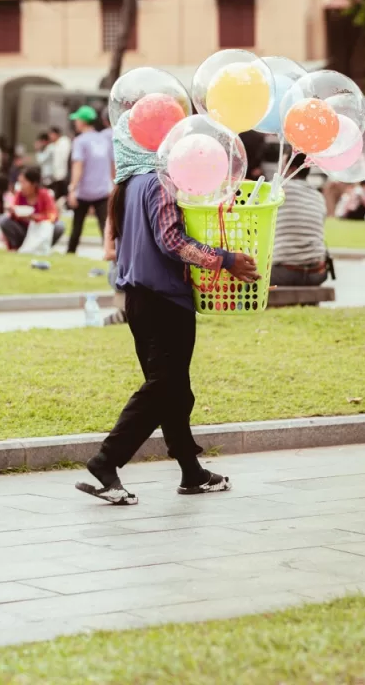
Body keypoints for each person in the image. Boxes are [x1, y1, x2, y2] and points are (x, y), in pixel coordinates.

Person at [77, 113, 259, 505]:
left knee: (175, 389)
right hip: (164, 301)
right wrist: (225, 259)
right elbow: (171, 240)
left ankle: (191, 473)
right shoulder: (159, 182)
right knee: (163, 388)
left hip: (139, 301)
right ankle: (105, 462)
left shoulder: (126, 186)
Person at [270, 153, 328, 287]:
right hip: (317, 272)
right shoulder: (318, 196)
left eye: (283, 165)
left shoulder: (275, 191)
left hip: (283, 271)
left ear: (292, 169)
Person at [67, 105, 114, 253]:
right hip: (102, 190)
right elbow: (112, 164)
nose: (75, 123)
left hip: (84, 191)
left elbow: (78, 166)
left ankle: (70, 252)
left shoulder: (80, 141)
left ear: (82, 121)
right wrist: (112, 185)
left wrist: (72, 189)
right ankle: (110, 252)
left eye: (77, 120)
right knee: (104, 227)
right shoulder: (104, 139)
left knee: (77, 226)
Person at [0, 166, 65, 251]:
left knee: (59, 226)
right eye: (20, 182)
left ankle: (42, 247)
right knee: (4, 220)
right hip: (24, 229)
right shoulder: (20, 195)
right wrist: (13, 211)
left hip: (40, 229)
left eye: (24, 182)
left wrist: (35, 217)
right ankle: (16, 247)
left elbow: (52, 216)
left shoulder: (44, 195)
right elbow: (14, 213)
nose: (21, 186)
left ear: (34, 184)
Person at [49, 126, 71, 202]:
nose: (50, 137)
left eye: (51, 135)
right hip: (58, 175)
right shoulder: (55, 145)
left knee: (63, 195)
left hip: (64, 175)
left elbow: (65, 159)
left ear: (56, 134)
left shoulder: (64, 142)